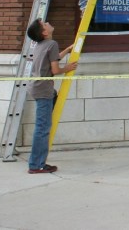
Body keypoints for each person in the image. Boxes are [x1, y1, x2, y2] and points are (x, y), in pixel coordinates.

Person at [25, 18, 77, 174]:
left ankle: (37, 163)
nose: (47, 22)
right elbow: (55, 70)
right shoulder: (52, 44)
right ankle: (36, 165)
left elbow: (52, 59)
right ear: (44, 32)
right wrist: (68, 68)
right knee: (42, 128)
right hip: (43, 90)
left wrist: (67, 50)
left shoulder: (41, 45)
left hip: (36, 87)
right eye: (44, 24)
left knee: (44, 120)